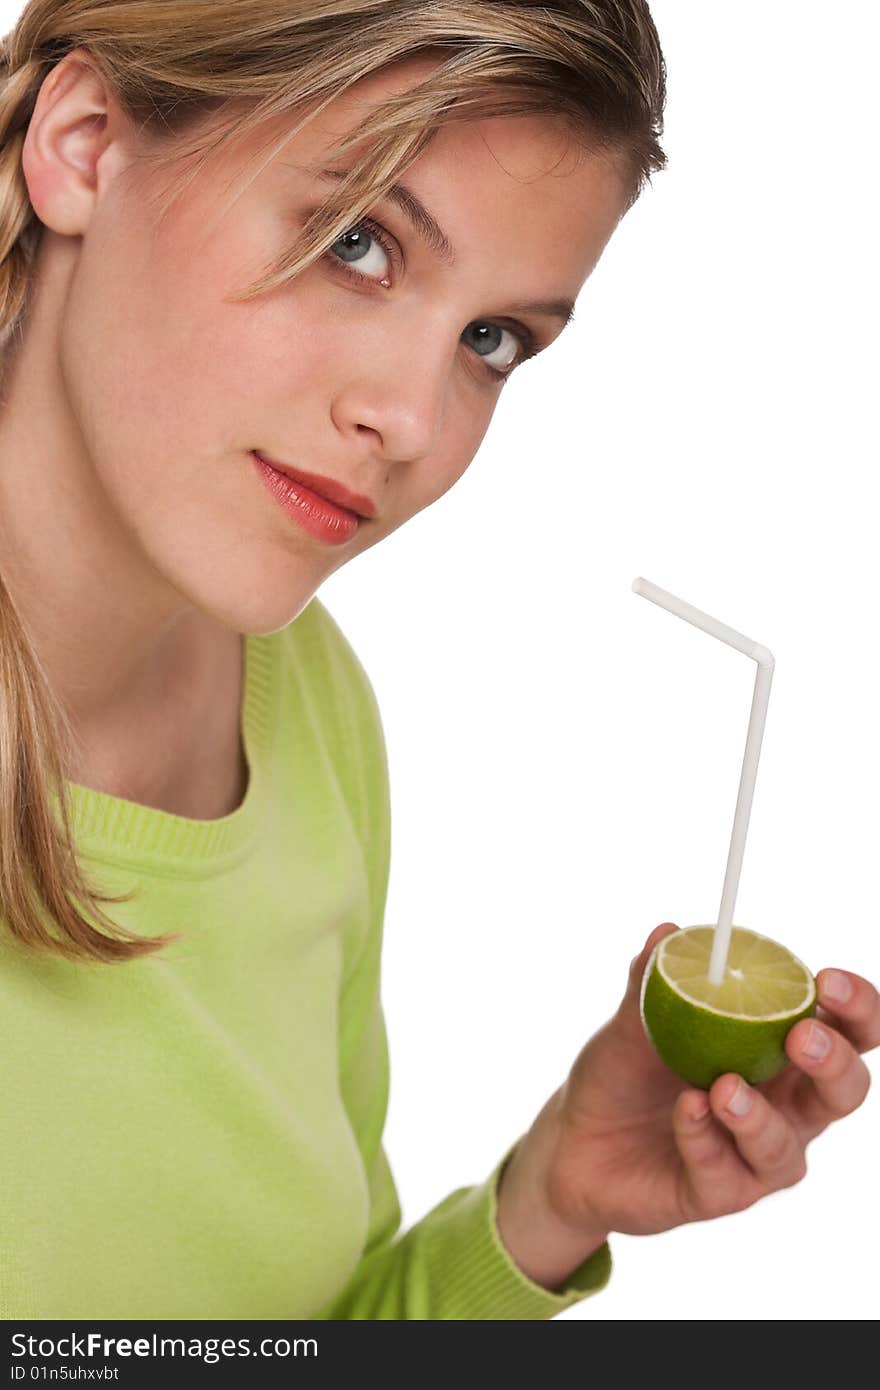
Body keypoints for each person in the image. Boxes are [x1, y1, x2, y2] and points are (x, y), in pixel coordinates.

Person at [0, 0, 875, 1322]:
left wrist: (547, 1205)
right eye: (360, 243)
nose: (410, 421)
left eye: (492, 341)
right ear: (83, 142)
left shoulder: (306, 705)